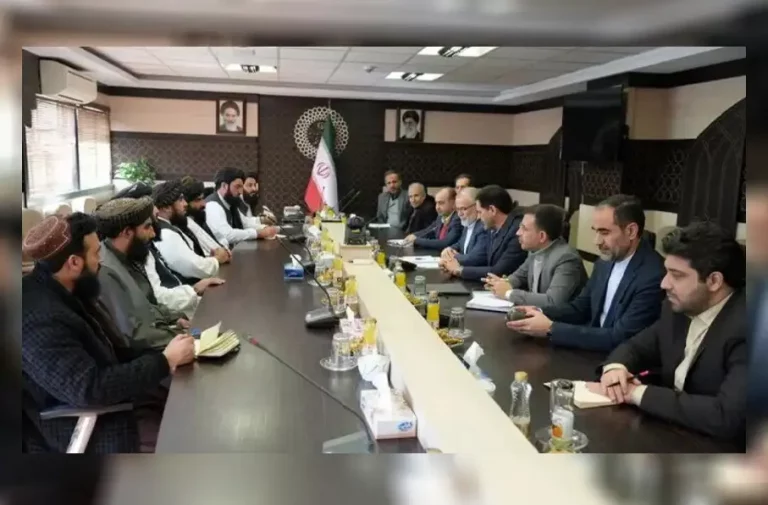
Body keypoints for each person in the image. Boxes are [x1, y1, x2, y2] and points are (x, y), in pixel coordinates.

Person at [21, 213, 195, 453]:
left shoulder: (63, 289)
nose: (100, 261)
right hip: (89, 425)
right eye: (95, 253)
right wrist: (164, 361)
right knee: (188, 440)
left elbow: (111, 352)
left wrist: (164, 358)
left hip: (115, 400)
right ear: (74, 262)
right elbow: (90, 389)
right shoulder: (40, 319)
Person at [598, 222, 746, 441]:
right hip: (670, 432)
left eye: (677, 275)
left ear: (714, 281)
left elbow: (727, 417)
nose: (664, 284)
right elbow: (636, 347)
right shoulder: (676, 307)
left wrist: (636, 393)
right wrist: (616, 368)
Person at [506, 194, 666, 353]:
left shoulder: (653, 275)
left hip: (618, 360)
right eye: (595, 232)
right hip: (590, 348)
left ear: (631, 231)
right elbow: (581, 308)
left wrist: (551, 329)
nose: (597, 241)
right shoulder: (605, 261)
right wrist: (539, 311)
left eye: (604, 233)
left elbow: (620, 337)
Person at [95, 196, 189, 350]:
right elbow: (133, 336)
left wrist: (174, 317)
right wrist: (179, 337)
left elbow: (146, 306)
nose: (153, 234)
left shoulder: (127, 257)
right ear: (127, 232)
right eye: (147, 227)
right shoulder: (106, 271)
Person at [117, 182, 223, 319]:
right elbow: (158, 298)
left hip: (178, 308)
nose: (156, 209)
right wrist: (194, 290)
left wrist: (194, 290)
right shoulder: (145, 244)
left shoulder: (144, 243)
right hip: (175, 314)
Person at [485, 204, 587, 308]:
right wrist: (501, 283)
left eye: (524, 229)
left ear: (542, 236)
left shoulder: (567, 259)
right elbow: (519, 276)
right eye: (520, 227)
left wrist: (509, 293)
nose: (518, 233)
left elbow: (553, 301)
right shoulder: (535, 250)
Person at [440, 185, 526, 281]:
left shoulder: (516, 232)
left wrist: (458, 270)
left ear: (492, 210)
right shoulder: (492, 228)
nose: (479, 217)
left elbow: (499, 271)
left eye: (480, 212)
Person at [152, 180, 228, 282]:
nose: (185, 204)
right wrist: (217, 260)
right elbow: (193, 267)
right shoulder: (166, 233)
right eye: (180, 200)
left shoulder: (171, 226)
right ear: (166, 207)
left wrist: (209, 259)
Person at [205, 167, 278, 245]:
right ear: (224, 186)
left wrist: (265, 228)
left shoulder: (230, 203)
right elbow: (227, 235)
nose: (240, 192)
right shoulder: (213, 206)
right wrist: (258, 233)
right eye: (237, 187)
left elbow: (245, 223)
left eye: (241, 187)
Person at [179, 176, 231, 251]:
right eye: (198, 200)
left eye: (202, 198)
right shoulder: (182, 227)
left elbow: (216, 242)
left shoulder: (201, 219)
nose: (204, 204)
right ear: (185, 202)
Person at [440, 187, 489, 264]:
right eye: (457, 209)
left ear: (477, 206)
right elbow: (461, 243)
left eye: (464, 209)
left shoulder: (483, 227)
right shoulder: (468, 223)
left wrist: (452, 256)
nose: (460, 214)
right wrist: (449, 249)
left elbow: (475, 258)